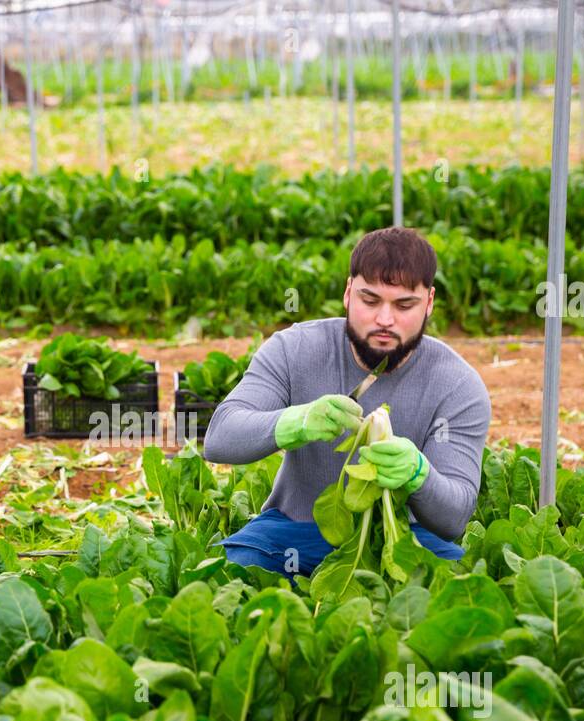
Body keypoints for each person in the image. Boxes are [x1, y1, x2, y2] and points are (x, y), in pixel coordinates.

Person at [203, 226, 491, 578]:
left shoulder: (457, 384)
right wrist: (294, 422)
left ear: (429, 302)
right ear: (348, 293)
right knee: (231, 575)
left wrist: (419, 475)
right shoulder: (294, 349)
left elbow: (454, 518)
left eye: (404, 305)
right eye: (370, 301)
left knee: (462, 586)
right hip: (296, 530)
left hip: (407, 539)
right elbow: (219, 438)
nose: (385, 319)